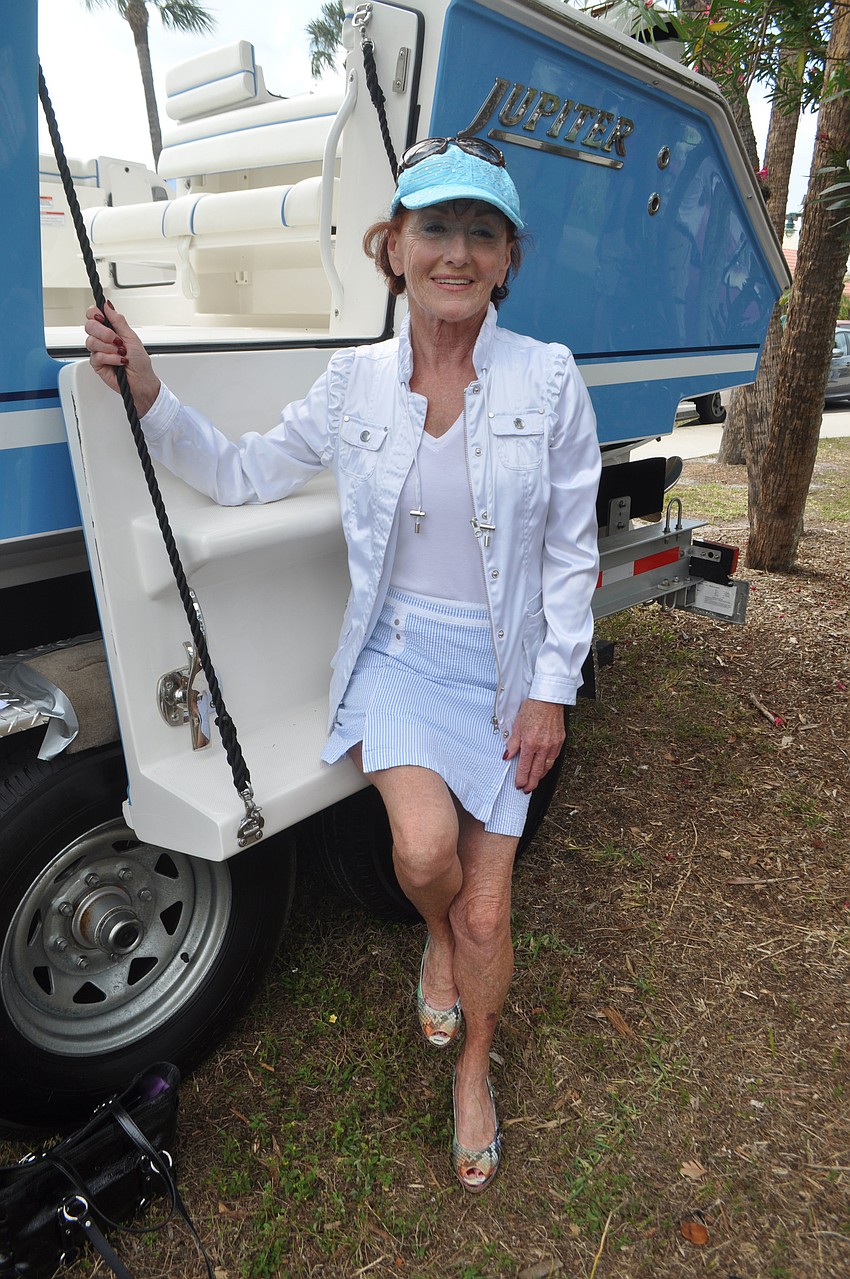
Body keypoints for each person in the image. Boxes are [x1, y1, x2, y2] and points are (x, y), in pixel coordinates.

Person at [84, 136, 601, 1193]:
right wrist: (147, 389)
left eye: (480, 233)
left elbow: (569, 553)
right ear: (395, 247)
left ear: (506, 258)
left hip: (505, 670)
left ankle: (473, 1064)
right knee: (422, 859)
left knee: (490, 907)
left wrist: (552, 687)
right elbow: (241, 472)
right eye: (434, 229)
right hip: (400, 658)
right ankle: (437, 935)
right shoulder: (352, 382)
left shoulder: (548, 380)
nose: (455, 252)